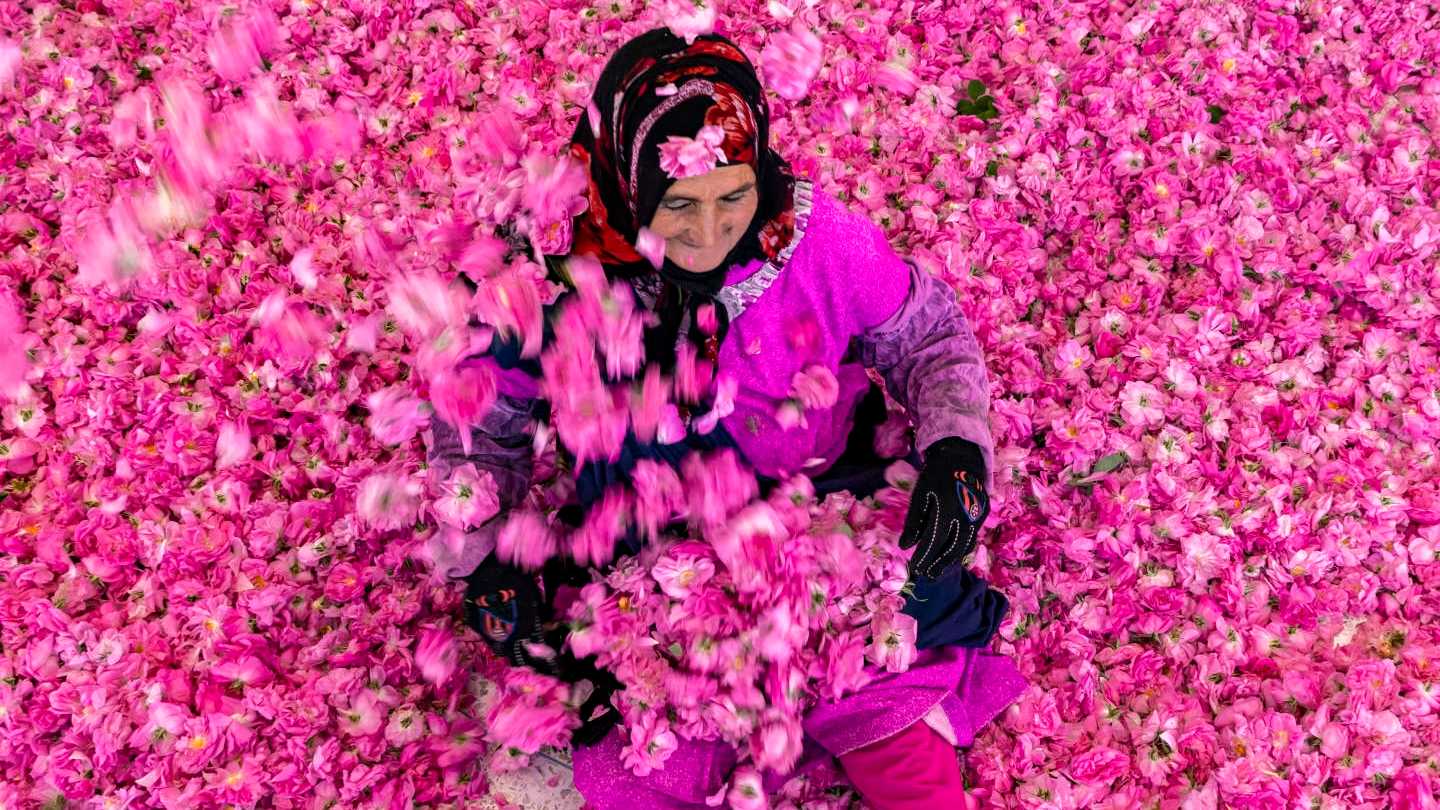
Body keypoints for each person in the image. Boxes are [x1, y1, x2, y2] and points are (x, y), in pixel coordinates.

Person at [426, 28, 1027, 810]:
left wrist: (955, 449)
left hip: (824, 509)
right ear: (630, 184)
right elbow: (478, 409)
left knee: (883, 684)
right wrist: (487, 552)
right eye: (678, 204)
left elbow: (927, 333)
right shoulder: (549, 276)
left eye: (731, 199)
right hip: (658, 553)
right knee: (639, 759)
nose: (709, 236)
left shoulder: (811, 241)